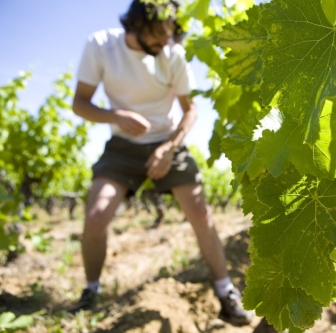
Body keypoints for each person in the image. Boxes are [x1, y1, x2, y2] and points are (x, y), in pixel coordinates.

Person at [69, 0, 253, 325]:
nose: (164, 42)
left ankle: (226, 292)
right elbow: (80, 103)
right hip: (123, 146)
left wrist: (169, 147)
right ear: (135, 26)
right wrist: (115, 116)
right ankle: (91, 291)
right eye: (157, 34)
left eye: (169, 34)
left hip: (168, 141)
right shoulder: (101, 46)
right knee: (96, 217)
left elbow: (190, 110)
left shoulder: (172, 54)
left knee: (200, 213)